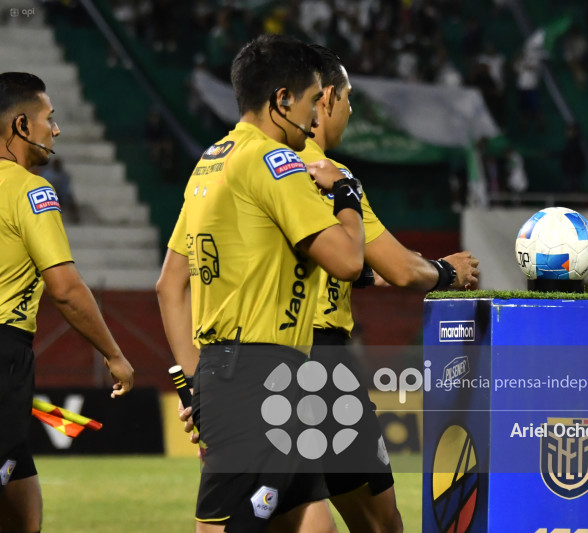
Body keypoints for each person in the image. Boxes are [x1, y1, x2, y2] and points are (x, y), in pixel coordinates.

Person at [155, 35, 365, 532]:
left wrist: (198, 383)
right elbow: (349, 260)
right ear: (282, 101)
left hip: (249, 375)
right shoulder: (274, 163)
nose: (317, 119)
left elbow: (169, 284)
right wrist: (345, 193)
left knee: (315, 524)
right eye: (314, 101)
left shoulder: (210, 161)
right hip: (260, 377)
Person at [297, 44, 480, 533]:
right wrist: (447, 271)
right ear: (327, 97)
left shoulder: (256, 168)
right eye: (349, 99)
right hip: (323, 361)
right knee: (378, 523)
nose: (351, 112)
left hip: (260, 360)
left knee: (284, 513)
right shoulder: (336, 179)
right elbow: (401, 268)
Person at [0, 72, 134, 532]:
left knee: (22, 508)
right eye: (47, 120)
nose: (54, 131)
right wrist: (114, 355)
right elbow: (66, 289)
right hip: (4, 354)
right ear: (20, 126)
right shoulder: (29, 189)